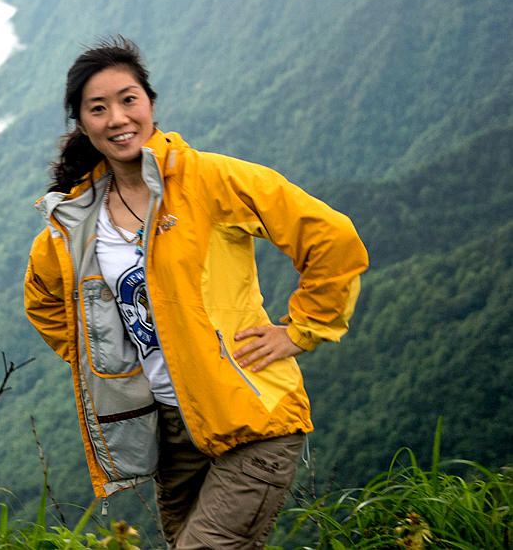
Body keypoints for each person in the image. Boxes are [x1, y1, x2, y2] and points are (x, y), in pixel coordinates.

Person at [23, 37, 368, 550]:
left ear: (151, 104)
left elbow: (331, 237)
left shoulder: (209, 180)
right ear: (82, 123)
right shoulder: (78, 219)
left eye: (128, 99)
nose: (117, 118)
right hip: (171, 432)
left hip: (252, 418)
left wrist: (301, 330)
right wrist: (108, 359)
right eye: (98, 108)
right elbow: (44, 300)